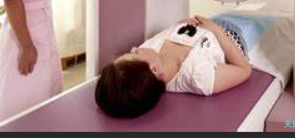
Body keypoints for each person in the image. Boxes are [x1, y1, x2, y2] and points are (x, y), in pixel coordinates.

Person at [95, 15, 252, 118]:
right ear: (154, 70)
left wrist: (182, 23)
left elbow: (173, 30)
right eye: (134, 53)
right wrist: (217, 31)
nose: (135, 48)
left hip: (211, 20)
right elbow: (243, 69)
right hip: (236, 35)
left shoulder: (151, 50)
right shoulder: (198, 77)